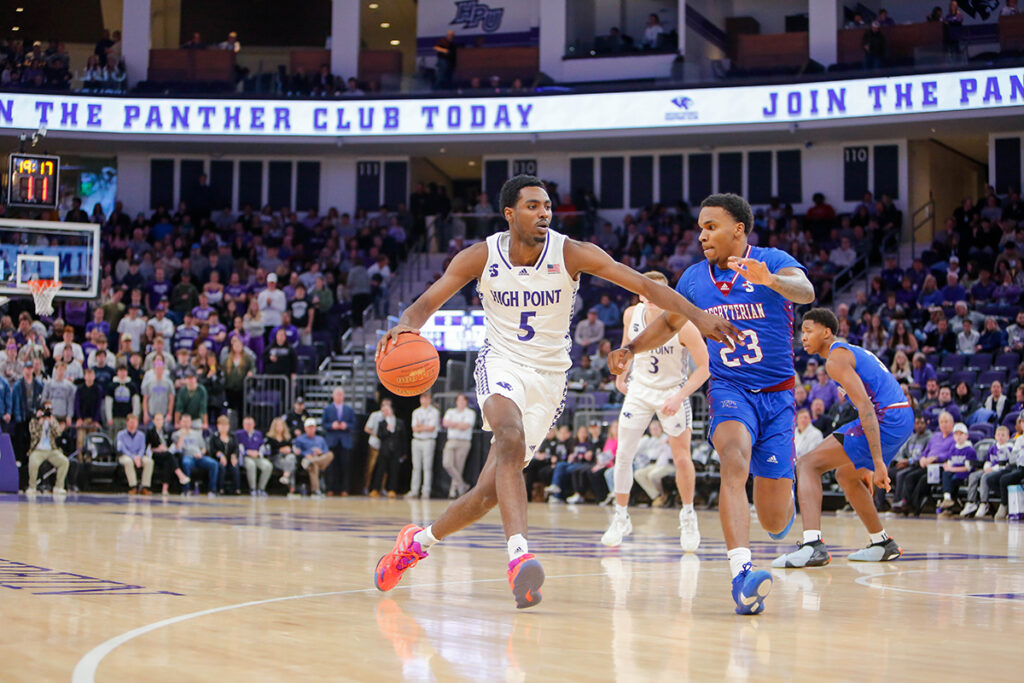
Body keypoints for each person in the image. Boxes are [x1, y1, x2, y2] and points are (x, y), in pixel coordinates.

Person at [373, 175, 738, 609]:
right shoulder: (479, 256)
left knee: (488, 493)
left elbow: (646, 286)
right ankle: (518, 557)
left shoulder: (570, 252)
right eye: (532, 206)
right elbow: (427, 303)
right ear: (509, 214)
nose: (544, 212)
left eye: (547, 206)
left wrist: (699, 315)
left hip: (549, 377)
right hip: (501, 363)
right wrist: (406, 324)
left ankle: (417, 542)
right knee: (508, 438)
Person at [609, 192, 814, 615]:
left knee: (775, 520)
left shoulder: (771, 260)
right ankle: (742, 574)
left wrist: (771, 281)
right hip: (729, 389)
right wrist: (630, 348)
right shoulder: (693, 280)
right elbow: (668, 323)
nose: (701, 235)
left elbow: (806, 291)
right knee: (733, 459)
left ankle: (780, 493)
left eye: (711, 226)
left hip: (777, 396)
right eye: (700, 227)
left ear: (739, 229)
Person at [772, 309, 913, 569]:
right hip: (900, 416)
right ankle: (882, 543)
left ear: (826, 332)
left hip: (886, 418)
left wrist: (878, 462)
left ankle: (812, 545)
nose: (803, 337)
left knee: (807, 464)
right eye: (802, 332)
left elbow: (867, 408)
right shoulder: (847, 352)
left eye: (808, 331)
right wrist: (868, 462)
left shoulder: (836, 359)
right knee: (846, 476)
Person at [600, 271, 710, 552]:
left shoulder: (682, 323)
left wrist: (680, 395)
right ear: (640, 293)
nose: (650, 297)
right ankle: (621, 516)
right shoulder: (631, 315)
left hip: (672, 391)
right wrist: (621, 373)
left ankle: (688, 515)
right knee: (623, 454)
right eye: (646, 291)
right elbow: (628, 348)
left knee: (682, 458)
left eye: (657, 292)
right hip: (640, 390)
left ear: (667, 294)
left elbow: (706, 368)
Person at [26, 401, 69, 496]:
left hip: (51, 450)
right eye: (46, 409)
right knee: (33, 463)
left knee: (64, 462)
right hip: (38, 449)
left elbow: (58, 433)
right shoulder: (35, 420)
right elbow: (33, 434)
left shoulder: (53, 420)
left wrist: (51, 422)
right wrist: (39, 422)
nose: (48, 411)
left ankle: (59, 487)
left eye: (50, 409)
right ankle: (32, 487)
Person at [321, 387, 355, 495]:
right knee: (331, 466)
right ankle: (330, 489)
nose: (339, 396)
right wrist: (332, 425)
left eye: (341, 394)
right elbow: (323, 424)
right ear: (333, 396)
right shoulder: (327, 409)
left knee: (345, 466)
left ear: (343, 396)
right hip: (332, 440)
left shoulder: (349, 409)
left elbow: (354, 424)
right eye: (337, 394)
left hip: (345, 441)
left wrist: (346, 425)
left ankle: (344, 489)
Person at [441, 393, 476, 498]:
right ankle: (462, 485)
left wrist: (453, 424)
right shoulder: (450, 411)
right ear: (456, 402)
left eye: (463, 400)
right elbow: (445, 423)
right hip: (451, 440)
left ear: (466, 402)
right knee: (447, 464)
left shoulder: (470, 413)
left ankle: (453, 491)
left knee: (458, 467)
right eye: (459, 400)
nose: (461, 402)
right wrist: (458, 424)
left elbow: (465, 426)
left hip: (463, 442)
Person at [146, 411, 189, 495]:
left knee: (170, 460)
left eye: (161, 419)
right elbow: (147, 447)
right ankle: (180, 474)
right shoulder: (150, 432)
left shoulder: (166, 432)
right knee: (169, 456)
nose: (159, 421)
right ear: (153, 421)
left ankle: (165, 489)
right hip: (155, 455)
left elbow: (171, 445)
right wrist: (156, 449)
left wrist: (166, 448)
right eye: (157, 419)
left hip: (166, 455)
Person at [410, 392, 440, 499]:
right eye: (423, 399)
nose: (424, 401)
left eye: (427, 399)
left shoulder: (434, 412)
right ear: (420, 400)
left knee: (427, 467)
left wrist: (420, 427)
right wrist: (424, 427)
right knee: (416, 467)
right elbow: (414, 429)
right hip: (417, 440)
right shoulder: (416, 412)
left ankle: (426, 491)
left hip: (428, 440)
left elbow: (431, 428)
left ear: (430, 400)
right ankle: (414, 491)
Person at [293, 417, 333, 498]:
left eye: (312, 427)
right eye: (309, 427)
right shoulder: (300, 439)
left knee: (330, 454)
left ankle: (312, 461)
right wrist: (306, 454)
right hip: (306, 460)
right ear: (305, 428)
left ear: (315, 428)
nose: (311, 429)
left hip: (320, 460)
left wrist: (320, 452)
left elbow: (326, 451)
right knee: (313, 465)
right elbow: (297, 452)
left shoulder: (320, 439)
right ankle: (316, 490)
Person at [116, 413, 153, 495]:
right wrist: (133, 457)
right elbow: (122, 449)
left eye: (135, 422)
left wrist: (138, 457)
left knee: (149, 462)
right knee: (128, 461)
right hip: (125, 455)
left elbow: (142, 448)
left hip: (139, 455)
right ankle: (133, 486)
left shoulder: (141, 435)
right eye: (131, 422)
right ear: (127, 423)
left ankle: (145, 487)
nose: (133, 424)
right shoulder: (120, 434)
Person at [238, 415, 271, 496]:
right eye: (246, 424)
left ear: (254, 424)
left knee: (268, 466)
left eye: (250, 424)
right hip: (245, 457)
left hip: (257, 456)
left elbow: (262, 446)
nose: (248, 426)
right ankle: (252, 488)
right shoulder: (238, 434)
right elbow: (238, 447)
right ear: (243, 424)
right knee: (251, 465)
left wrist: (258, 453)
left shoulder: (258, 434)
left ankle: (261, 488)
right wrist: (247, 452)